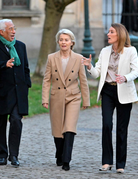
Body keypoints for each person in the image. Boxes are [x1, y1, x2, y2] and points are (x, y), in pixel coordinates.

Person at [82, 23, 138, 174]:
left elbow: (136, 71)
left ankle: (120, 164)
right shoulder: (104, 51)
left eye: (111, 32)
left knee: (122, 129)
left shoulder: (131, 51)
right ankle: (107, 161)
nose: (108, 34)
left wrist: (125, 78)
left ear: (119, 34)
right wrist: (89, 66)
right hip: (107, 90)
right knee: (107, 125)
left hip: (124, 91)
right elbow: (97, 73)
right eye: (108, 31)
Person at [0, 19, 31, 167]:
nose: (14, 31)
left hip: (17, 93)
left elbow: (26, 68)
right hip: (0, 93)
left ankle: (14, 155)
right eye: (10, 29)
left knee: (16, 121)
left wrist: (26, 85)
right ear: (1, 32)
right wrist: (4, 64)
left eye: (14, 28)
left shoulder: (20, 46)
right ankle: (2, 155)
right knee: (0, 125)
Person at [42, 29, 90, 171]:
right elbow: (46, 80)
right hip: (56, 96)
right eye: (61, 39)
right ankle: (59, 154)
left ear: (72, 42)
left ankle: (67, 160)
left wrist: (86, 100)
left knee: (69, 128)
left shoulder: (78, 58)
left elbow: (83, 80)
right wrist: (45, 99)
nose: (63, 42)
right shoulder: (51, 58)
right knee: (58, 130)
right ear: (58, 42)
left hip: (73, 97)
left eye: (66, 40)